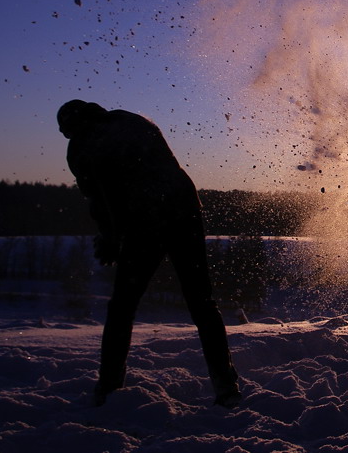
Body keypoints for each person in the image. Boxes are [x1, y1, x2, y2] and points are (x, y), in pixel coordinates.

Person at [57, 99, 241, 408]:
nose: (68, 138)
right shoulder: (130, 120)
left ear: (73, 127)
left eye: (66, 132)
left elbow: (105, 197)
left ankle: (108, 386)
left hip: (147, 223)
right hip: (185, 212)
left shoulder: (83, 146)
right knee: (202, 303)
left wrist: (111, 238)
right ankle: (227, 387)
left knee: (122, 307)